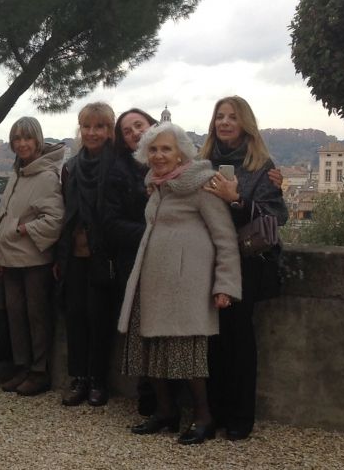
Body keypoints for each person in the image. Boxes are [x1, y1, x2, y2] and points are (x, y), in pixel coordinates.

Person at [118, 122, 242, 446]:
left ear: (180, 153)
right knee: (152, 349)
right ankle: (166, 412)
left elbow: (225, 238)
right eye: (154, 149)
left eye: (166, 149)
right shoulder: (157, 186)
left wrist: (225, 284)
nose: (159, 155)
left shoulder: (202, 185)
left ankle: (204, 418)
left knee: (189, 356)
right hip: (154, 281)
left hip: (187, 285)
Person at [199, 95, 289, 441]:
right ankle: (215, 410)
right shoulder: (202, 162)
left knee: (238, 336)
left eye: (231, 117)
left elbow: (275, 217)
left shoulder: (263, 166)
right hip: (210, 258)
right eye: (219, 116)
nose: (224, 122)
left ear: (244, 124)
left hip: (247, 261)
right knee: (212, 337)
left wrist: (236, 199)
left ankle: (240, 416)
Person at [0, 117, 65, 396]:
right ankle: (22, 366)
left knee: (36, 316)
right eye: (17, 139)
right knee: (16, 316)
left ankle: (39, 370)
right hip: (10, 257)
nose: (22, 144)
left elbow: (55, 219)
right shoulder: (19, 172)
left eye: (27, 139)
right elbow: (2, 216)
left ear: (38, 141)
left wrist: (23, 229)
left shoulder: (46, 175)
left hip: (34, 259)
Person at [54, 102, 118, 407]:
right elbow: (67, 213)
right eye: (87, 126)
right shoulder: (72, 166)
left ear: (109, 130)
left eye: (99, 127)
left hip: (103, 253)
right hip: (74, 253)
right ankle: (78, 377)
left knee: (99, 317)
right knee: (76, 317)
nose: (92, 133)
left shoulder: (119, 165)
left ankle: (98, 380)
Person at [102, 108, 159, 414]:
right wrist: (153, 233)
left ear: (152, 125)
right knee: (141, 330)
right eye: (128, 130)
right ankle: (149, 396)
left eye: (139, 125)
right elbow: (110, 223)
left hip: (172, 262)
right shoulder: (118, 171)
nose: (135, 132)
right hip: (135, 261)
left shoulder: (178, 162)